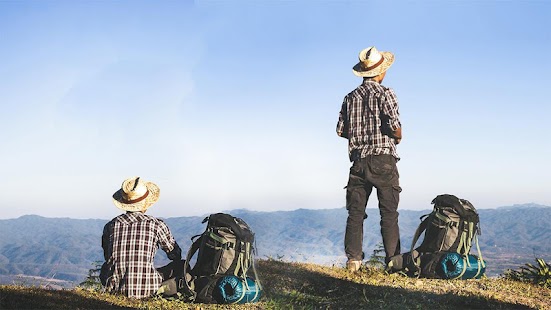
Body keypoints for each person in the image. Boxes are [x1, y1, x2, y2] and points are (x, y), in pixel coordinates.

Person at [336, 46, 403, 271]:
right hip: (383, 159)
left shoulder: (349, 98)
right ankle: (393, 262)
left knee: (355, 214)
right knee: (389, 213)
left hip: (358, 161)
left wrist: (359, 134)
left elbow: (340, 131)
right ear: (381, 72)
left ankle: (353, 261)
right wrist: (397, 136)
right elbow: (394, 127)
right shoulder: (386, 93)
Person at [100, 176, 182, 298]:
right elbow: (174, 254)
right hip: (148, 289)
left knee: (105, 268)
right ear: (146, 203)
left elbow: (108, 256)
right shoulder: (156, 224)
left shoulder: (111, 225)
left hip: (114, 288)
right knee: (181, 265)